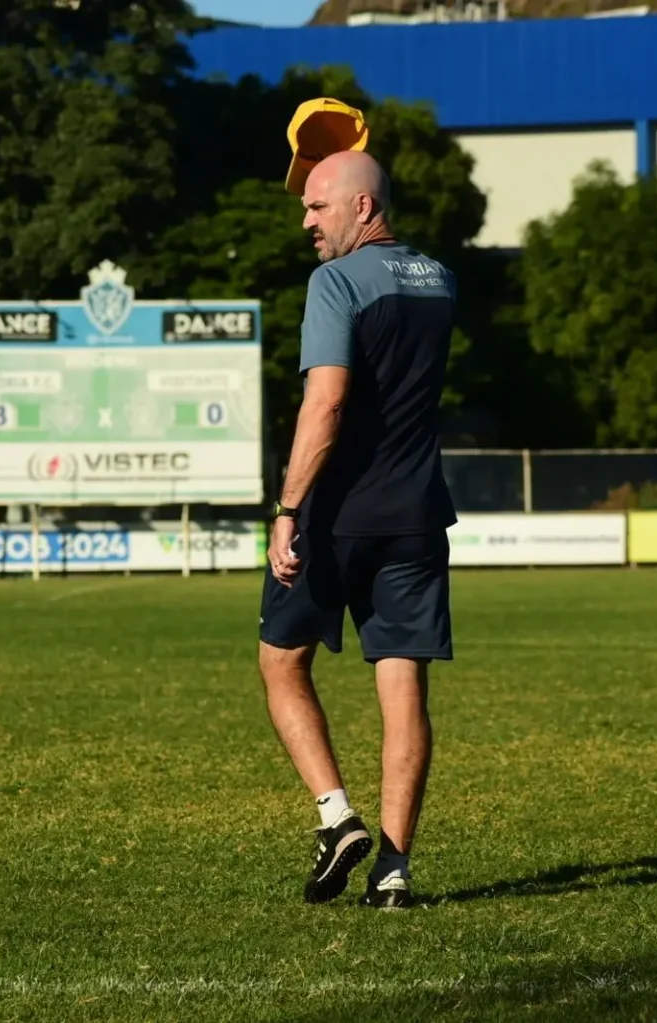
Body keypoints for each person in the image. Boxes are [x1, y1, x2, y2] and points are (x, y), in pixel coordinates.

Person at [257, 148, 458, 910]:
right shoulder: (441, 279)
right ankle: (396, 870)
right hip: (416, 518)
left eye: (317, 207)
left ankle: (336, 815)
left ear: (362, 208)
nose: (306, 222)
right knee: (403, 688)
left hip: (336, 517)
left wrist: (287, 509)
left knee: (282, 663)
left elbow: (328, 405)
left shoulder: (335, 282)